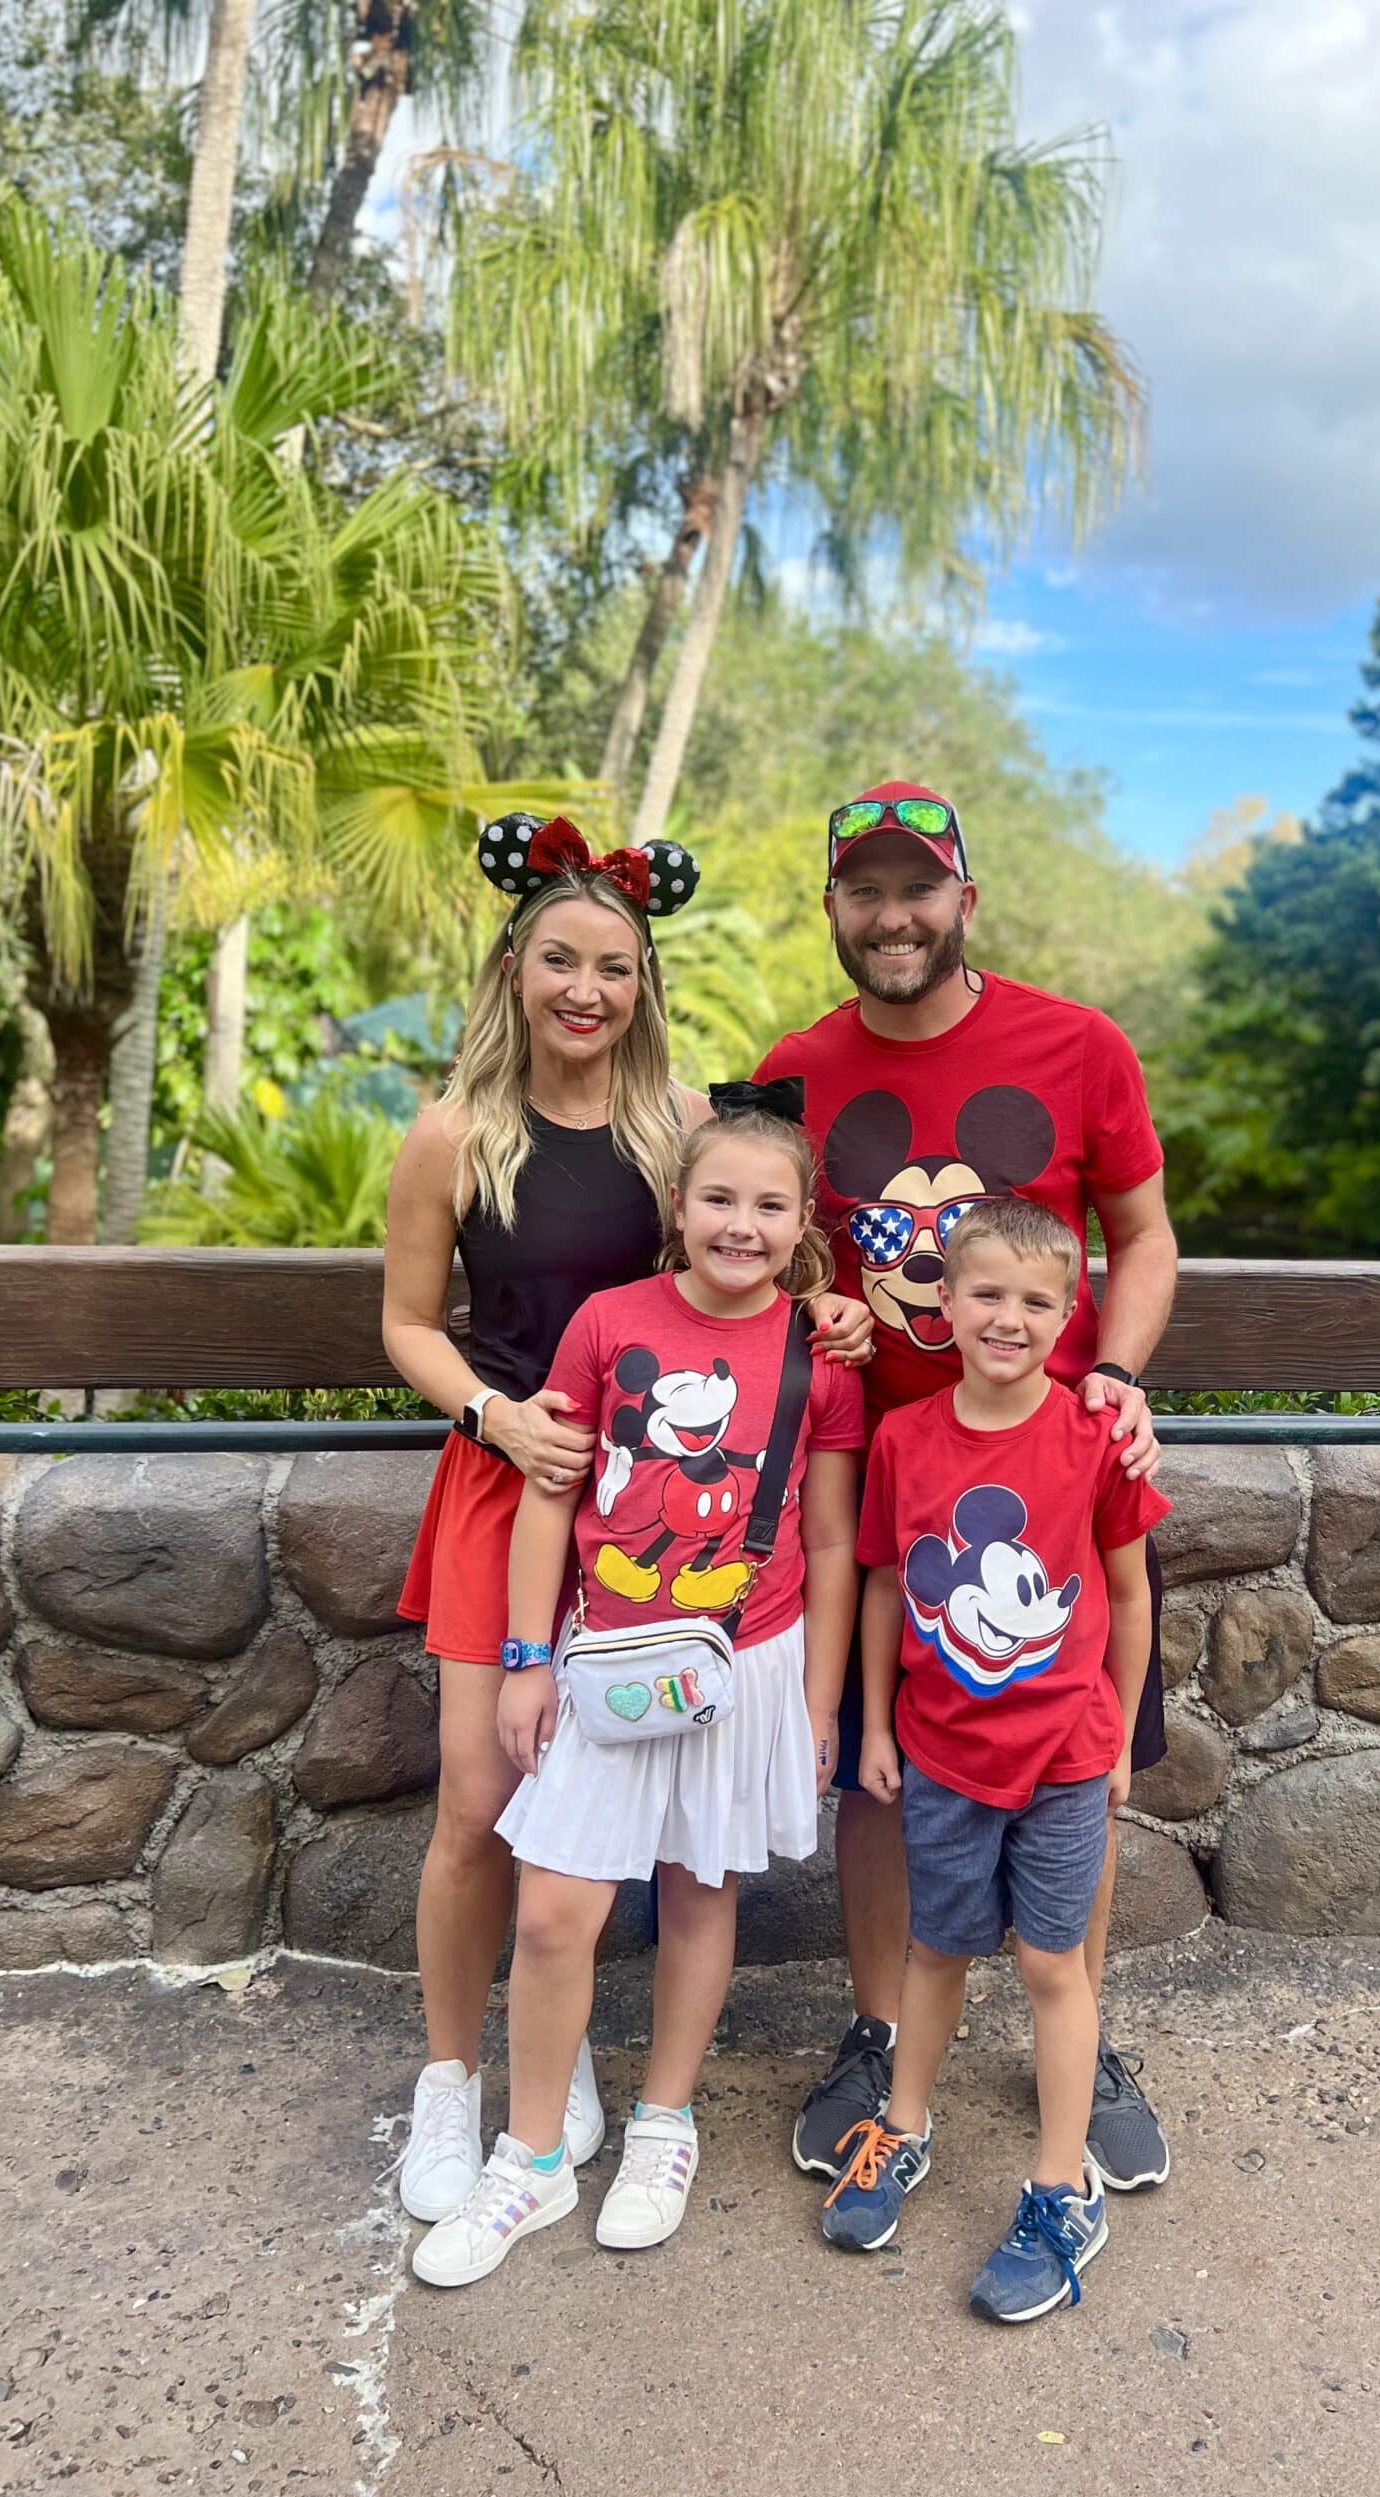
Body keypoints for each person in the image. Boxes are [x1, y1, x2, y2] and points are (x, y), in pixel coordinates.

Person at [382, 816, 869, 2226]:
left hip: (665, 1514)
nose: (586, 991)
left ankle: (586, 2072)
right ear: (515, 969)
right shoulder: (455, 1132)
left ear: (643, 983)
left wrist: (825, 1309)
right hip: (516, 1478)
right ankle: (450, 2083)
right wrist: (493, 1414)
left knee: (641, 1830)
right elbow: (408, 1323)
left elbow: (753, 1254)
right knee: (482, 1806)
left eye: (614, 967)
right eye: (559, 962)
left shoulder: (671, 1136)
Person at [755, 781, 1180, 2192]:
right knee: (883, 1770)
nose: (893, 917)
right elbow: (774, 1252)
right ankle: (880, 2031)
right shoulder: (795, 1070)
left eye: (917, 890)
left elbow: (1143, 1235)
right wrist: (816, 1314)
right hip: (888, 1492)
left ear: (963, 903)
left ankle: (1084, 2030)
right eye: (865, 892)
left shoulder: (1074, 1045)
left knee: (1079, 1750)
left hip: (1058, 1476)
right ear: (833, 909)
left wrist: (1113, 1378)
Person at [821, 1199, 1169, 2321]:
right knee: (936, 1949)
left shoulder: (1092, 1437)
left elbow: (1124, 1590)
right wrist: (872, 1727)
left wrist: (1114, 1728)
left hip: (1064, 1756)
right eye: (987, 1294)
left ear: (1070, 1316)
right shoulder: (904, 1438)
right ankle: (903, 2129)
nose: (1008, 1317)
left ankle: (1062, 2188)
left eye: (1035, 1301)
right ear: (944, 1302)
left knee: (1052, 1966)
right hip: (938, 1755)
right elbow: (882, 1580)